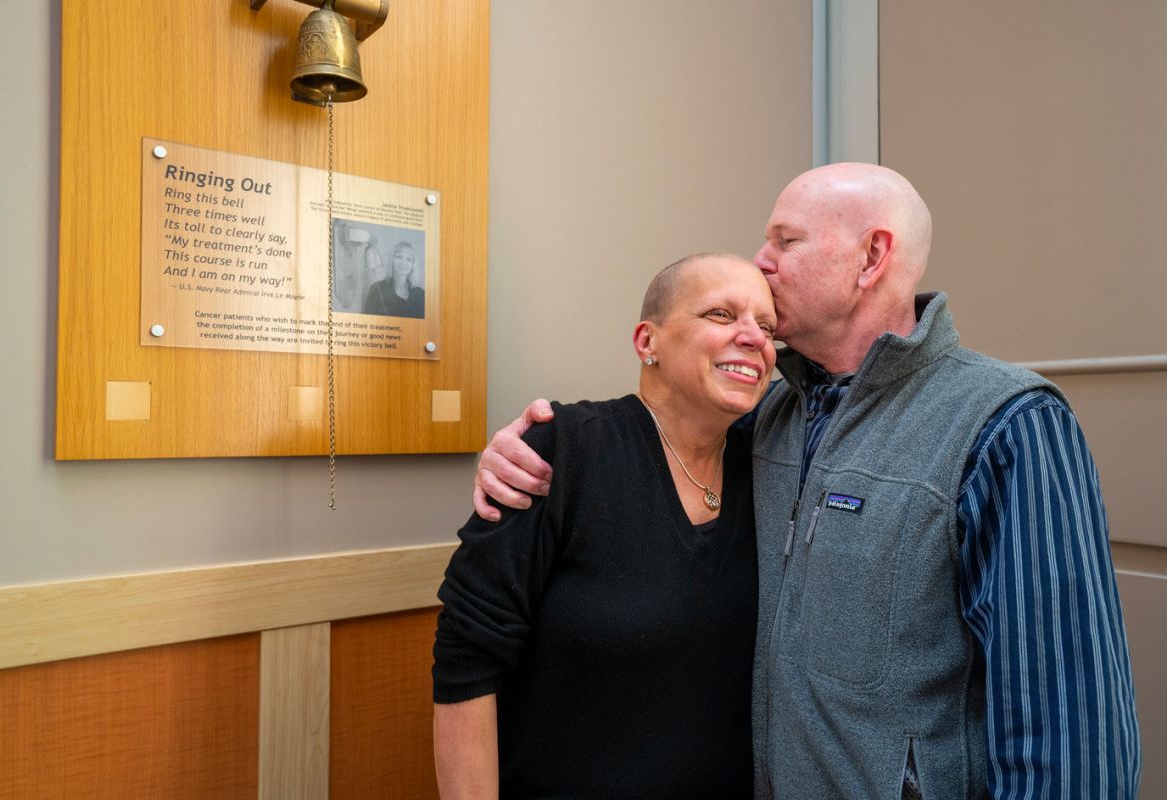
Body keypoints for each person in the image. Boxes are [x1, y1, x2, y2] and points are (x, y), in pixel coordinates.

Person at [472, 163, 1141, 798]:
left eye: (785, 241)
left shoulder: (1007, 423)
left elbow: (1069, 719)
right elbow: (656, 435)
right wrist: (526, 449)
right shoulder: (766, 415)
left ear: (871, 258)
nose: (761, 261)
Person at [433, 253, 777, 798]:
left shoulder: (769, 467)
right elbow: (466, 661)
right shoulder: (564, 450)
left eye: (767, 325)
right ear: (648, 342)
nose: (754, 337)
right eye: (721, 314)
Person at [364, 240, 425, 318]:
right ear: (392, 260)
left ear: (413, 265)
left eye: (409, 259)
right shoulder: (376, 289)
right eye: (399, 257)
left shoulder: (420, 295)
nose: (403, 262)